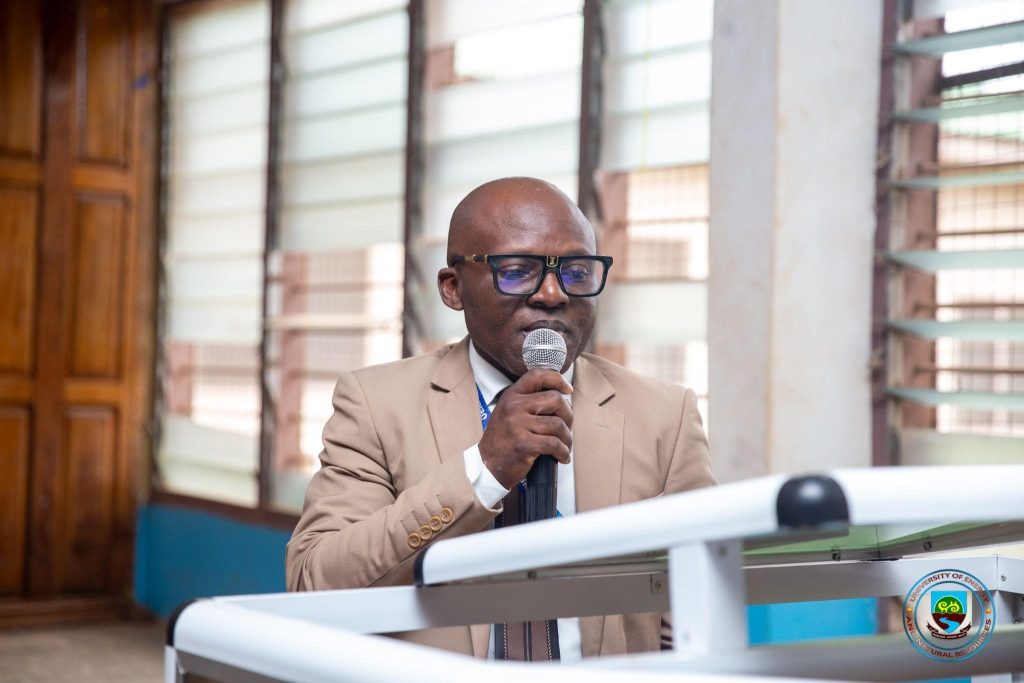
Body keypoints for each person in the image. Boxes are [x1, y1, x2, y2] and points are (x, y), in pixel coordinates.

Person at [285, 177, 715, 660]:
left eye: (576, 271)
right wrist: (483, 472)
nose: (553, 294)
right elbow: (316, 582)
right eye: (516, 271)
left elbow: (698, 604)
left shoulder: (665, 416)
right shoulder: (375, 403)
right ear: (453, 288)